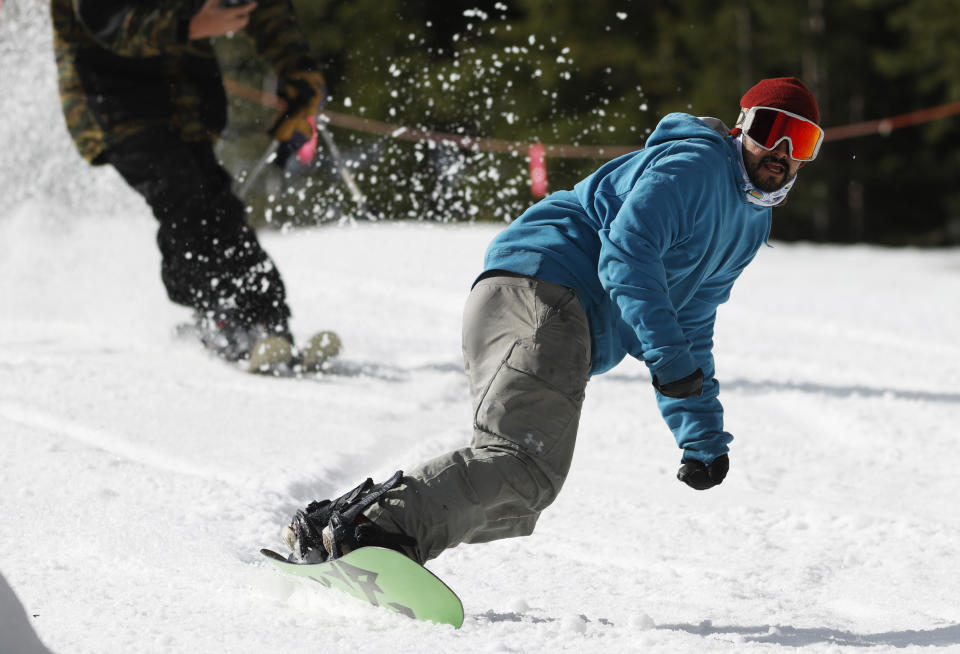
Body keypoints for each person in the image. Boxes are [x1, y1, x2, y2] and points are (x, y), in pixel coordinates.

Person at [282, 77, 824, 565]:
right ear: (741, 127)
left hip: (532, 303)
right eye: (772, 130)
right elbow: (628, 256)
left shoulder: (751, 221)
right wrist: (670, 362)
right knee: (524, 466)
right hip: (549, 295)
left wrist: (701, 432)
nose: (780, 152)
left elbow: (693, 320)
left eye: (799, 143)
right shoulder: (696, 166)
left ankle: (340, 526)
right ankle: (374, 532)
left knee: (517, 496)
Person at [51, 0, 327, 371]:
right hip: (113, 101)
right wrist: (188, 25)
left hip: (186, 96)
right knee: (181, 194)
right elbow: (105, 18)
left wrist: (297, 70)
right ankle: (220, 317)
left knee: (217, 202)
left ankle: (268, 323)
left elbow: (261, 7)